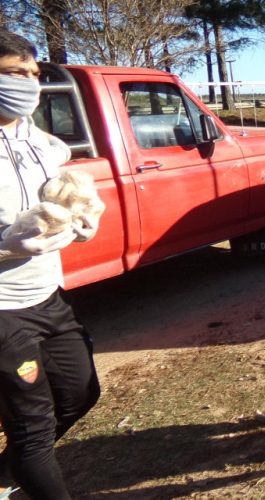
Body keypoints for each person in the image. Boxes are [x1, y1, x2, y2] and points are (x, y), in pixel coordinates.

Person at [0, 29, 101, 499]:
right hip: (3, 311)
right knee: (33, 427)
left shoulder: (41, 142)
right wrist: (7, 246)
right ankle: (27, 465)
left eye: (33, 74)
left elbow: (61, 199)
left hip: (47, 295)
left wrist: (82, 214)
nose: (28, 83)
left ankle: (14, 469)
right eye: (13, 73)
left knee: (81, 393)